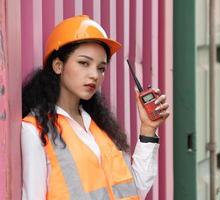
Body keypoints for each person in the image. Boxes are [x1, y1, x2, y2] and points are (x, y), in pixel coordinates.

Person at [21, 15, 169, 200]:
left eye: (101, 68)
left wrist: (148, 129)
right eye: (84, 63)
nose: (94, 75)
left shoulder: (99, 128)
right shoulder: (34, 130)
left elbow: (134, 190)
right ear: (58, 66)